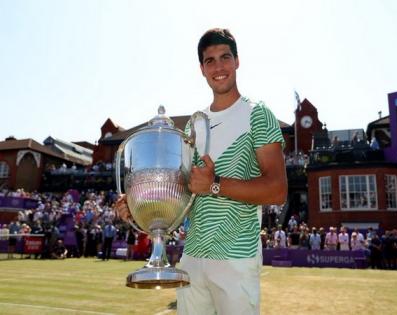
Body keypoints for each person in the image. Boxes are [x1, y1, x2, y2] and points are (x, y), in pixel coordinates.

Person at [116, 28, 288, 314]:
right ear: (202, 69)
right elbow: (183, 194)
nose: (218, 67)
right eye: (210, 61)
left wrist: (215, 184)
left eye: (225, 58)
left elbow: (278, 190)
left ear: (237, 62)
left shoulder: (257, 113)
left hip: (236, 258)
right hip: (193, 258)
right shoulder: (193, 125)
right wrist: (139, 208)